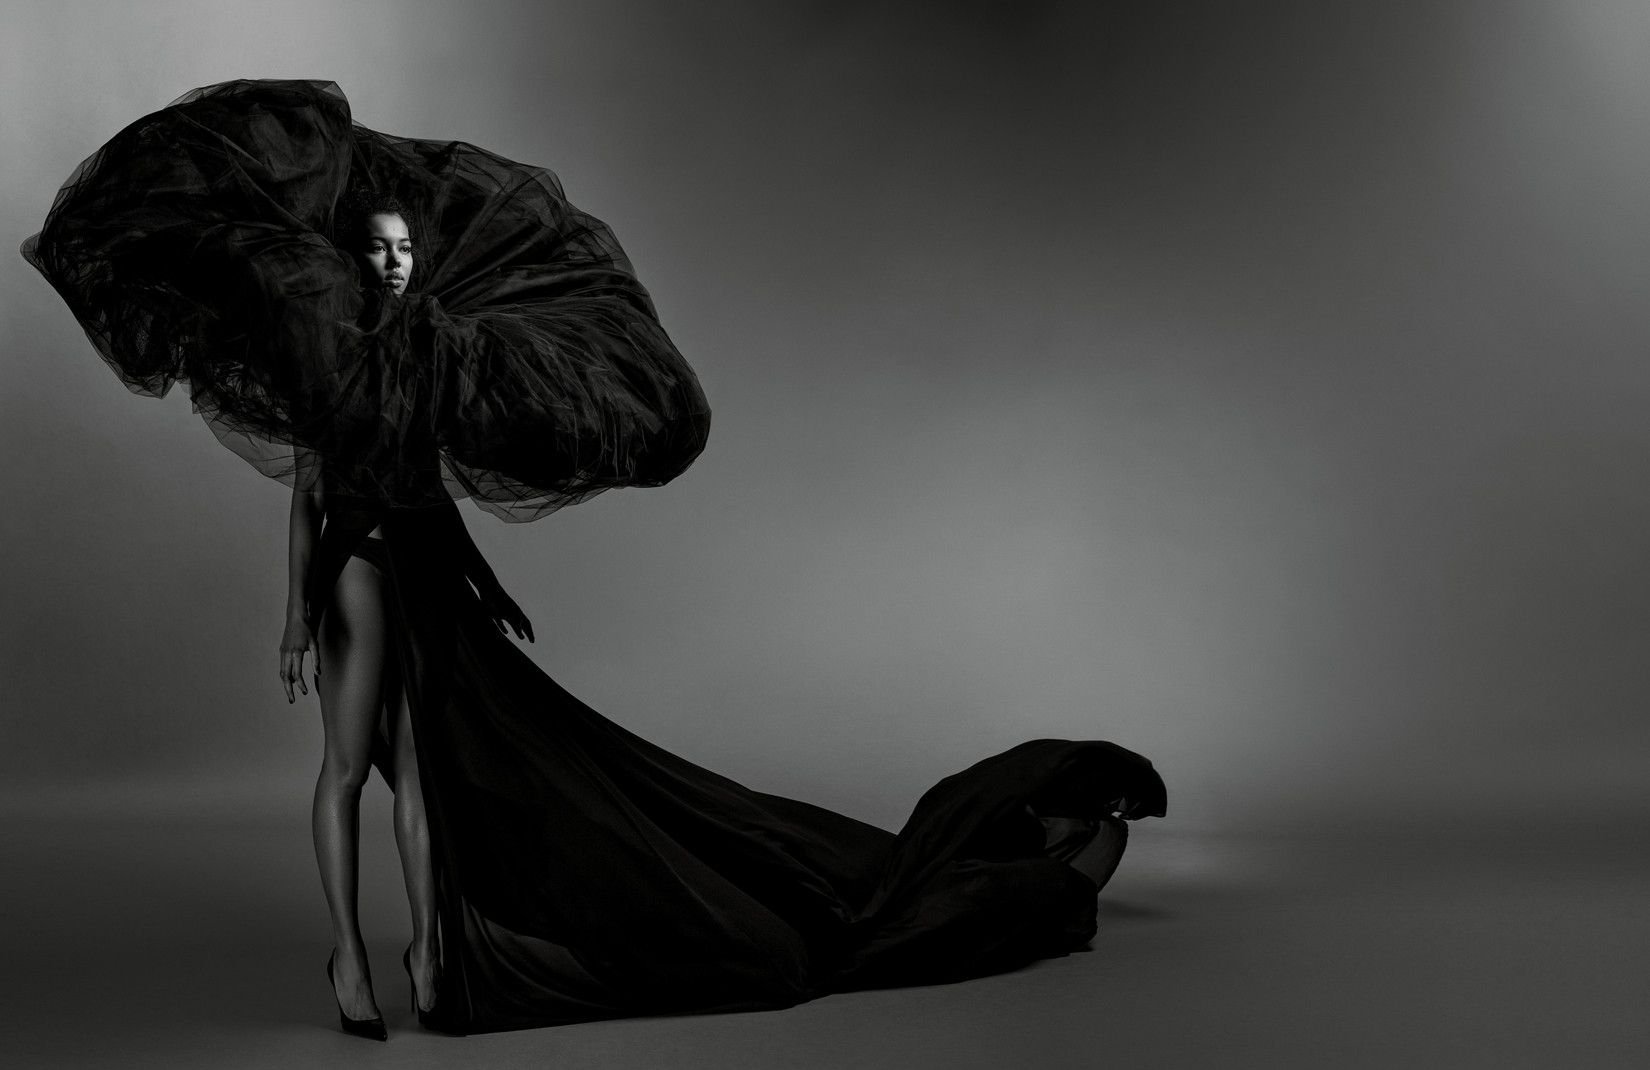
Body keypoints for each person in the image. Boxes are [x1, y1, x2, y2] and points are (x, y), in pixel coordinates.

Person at [23, 79, 1168, 1039]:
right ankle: (353, 961)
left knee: (425, 776)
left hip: (420, 577)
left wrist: (488, 585)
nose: (394, 264)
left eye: (404, 252)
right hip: (355, 579)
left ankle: (429, 955)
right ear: (355, 259)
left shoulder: (420, 355)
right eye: (380, 251)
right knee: (349, 768)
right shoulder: (331, 344)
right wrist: (291, 613)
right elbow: (317, 489)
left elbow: (429, 499)